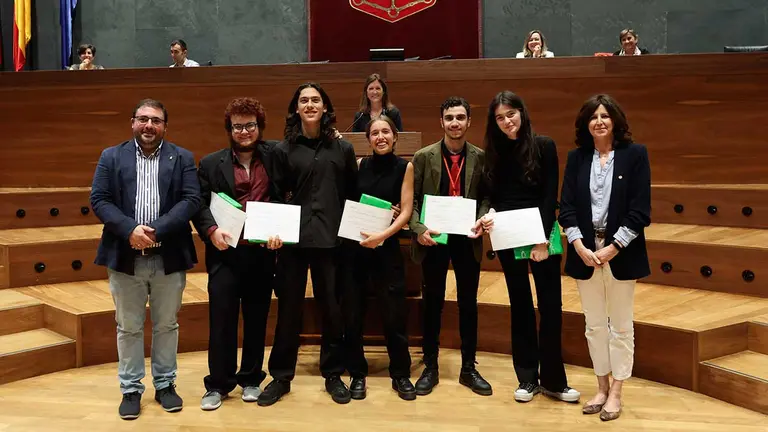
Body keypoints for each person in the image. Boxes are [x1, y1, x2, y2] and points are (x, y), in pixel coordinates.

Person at [90, 99, 201, 420]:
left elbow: (191, 199)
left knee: (167, 324)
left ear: (165, 126)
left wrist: (155, 231)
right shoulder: (111, 156)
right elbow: (99, 198)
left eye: (155, 120)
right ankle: (131, 388)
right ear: (132, 122)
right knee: (129, 327)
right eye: (143, 119)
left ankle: (166, 385)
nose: (149, 126)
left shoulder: (182, 157)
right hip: (125, 256)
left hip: (168, 255)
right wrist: (129, 230)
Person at [257, 82, 358, 406]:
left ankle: (333, 373)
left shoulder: (342, 150)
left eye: (316, 100)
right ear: (296, 109)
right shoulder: (282, 150)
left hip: (332, 242)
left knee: (332, 309)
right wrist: (273, 231)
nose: (311, 105)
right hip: (292, 242)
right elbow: (274, 195)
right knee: (288, 310)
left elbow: (352, 195)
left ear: (325, 107)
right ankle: (281, 376)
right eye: (304, 100)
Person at [477, 91, 579, 404]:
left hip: (541, 233)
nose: (507, 121)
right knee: (520, 304)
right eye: (500, 117)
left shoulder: (544, 145)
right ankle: (527, 378)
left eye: (511, 114)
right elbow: (491, 196)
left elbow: (550, 195)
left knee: (550, 307)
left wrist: (542, 239)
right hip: (508, 234)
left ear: (522, 112)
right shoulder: (491, 152)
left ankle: (554, 381)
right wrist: (488, 213)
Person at [558, 94, 651, 422]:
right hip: (586, 255)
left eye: (605, 116)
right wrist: (579, 246)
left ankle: (617, 391)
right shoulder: (577, 158)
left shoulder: (634, 155)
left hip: (620, 254)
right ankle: (600, 386)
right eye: (593, 117)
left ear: (615, 121)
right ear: (586, 124)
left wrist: (613, 247)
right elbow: (566, 207)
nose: (599, 121)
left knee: (621, 327)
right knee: (594, 326)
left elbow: (641, 212)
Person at [193, 98, 284, 411]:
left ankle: (250, 379)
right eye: (238, 126)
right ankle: (218, 384)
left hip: (261, 253)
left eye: (250, 125)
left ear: (259, 127)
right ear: (229, 129)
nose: (244, 131)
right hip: (225, 253)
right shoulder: (210, 163)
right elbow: (200, 205)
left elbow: (286, 195)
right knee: (222, 321)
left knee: (257, 319)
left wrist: (280, 233)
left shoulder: (275, 157)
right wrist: (211, 232)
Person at [408, 96, 492, 397]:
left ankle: (468, 367)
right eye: (449, 118)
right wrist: (418, 229)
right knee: (433, 301)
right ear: (441, 122)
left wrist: (482, 219)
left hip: (467, 237)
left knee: (469, 302)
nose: (454, 123)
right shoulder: (423, 156)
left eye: (459, 117)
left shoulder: (481, 157)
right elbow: (412, 202)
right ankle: (430, 365)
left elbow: (486, 198)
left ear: (469, 122)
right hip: (435, 237)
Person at [340, 115, 416, 401]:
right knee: (353, 313)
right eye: (375, 133)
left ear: (395, 137)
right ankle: (357, 373)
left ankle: (400, 374)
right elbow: (351, 205)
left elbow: (406, 210)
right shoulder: (359, 165)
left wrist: (383, 235)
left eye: (386, 132)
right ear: (368, 138)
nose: (380, 137)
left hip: (387, 248)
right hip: (356, 250)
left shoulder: (404, 167)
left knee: (394, 314)